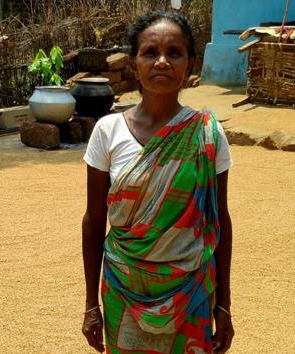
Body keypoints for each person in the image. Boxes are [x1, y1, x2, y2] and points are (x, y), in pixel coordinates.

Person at [81, 10, 234, 354]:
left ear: (190, 64)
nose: (162, 62)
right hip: (123, 288)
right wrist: (92, 305)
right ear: (134, 64)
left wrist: (223, 305)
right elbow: (93, 220)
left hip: (191, 288)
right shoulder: (108, 132)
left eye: (174, 53)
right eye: (150, 52)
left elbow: (219, 220)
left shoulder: (207, 134)